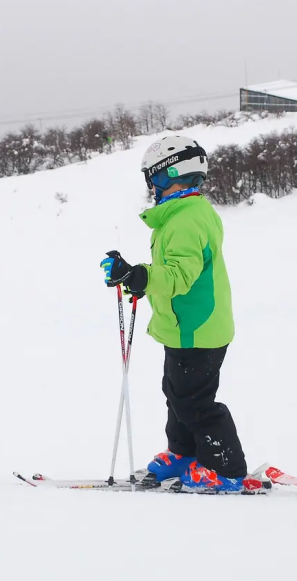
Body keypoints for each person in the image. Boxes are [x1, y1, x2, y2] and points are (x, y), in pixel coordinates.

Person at [100, 135, 253, 494]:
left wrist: (140, 275)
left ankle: (226, 469)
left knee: (195, 402)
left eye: (153, 177)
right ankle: (184, 453)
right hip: (187, 327)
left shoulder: (185, 219)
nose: (151, 185)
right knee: (177, 393)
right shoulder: (184, 214)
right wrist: (141, 280)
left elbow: (180, 276)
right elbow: (176, 272)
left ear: (170, 174)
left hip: (197, 329)